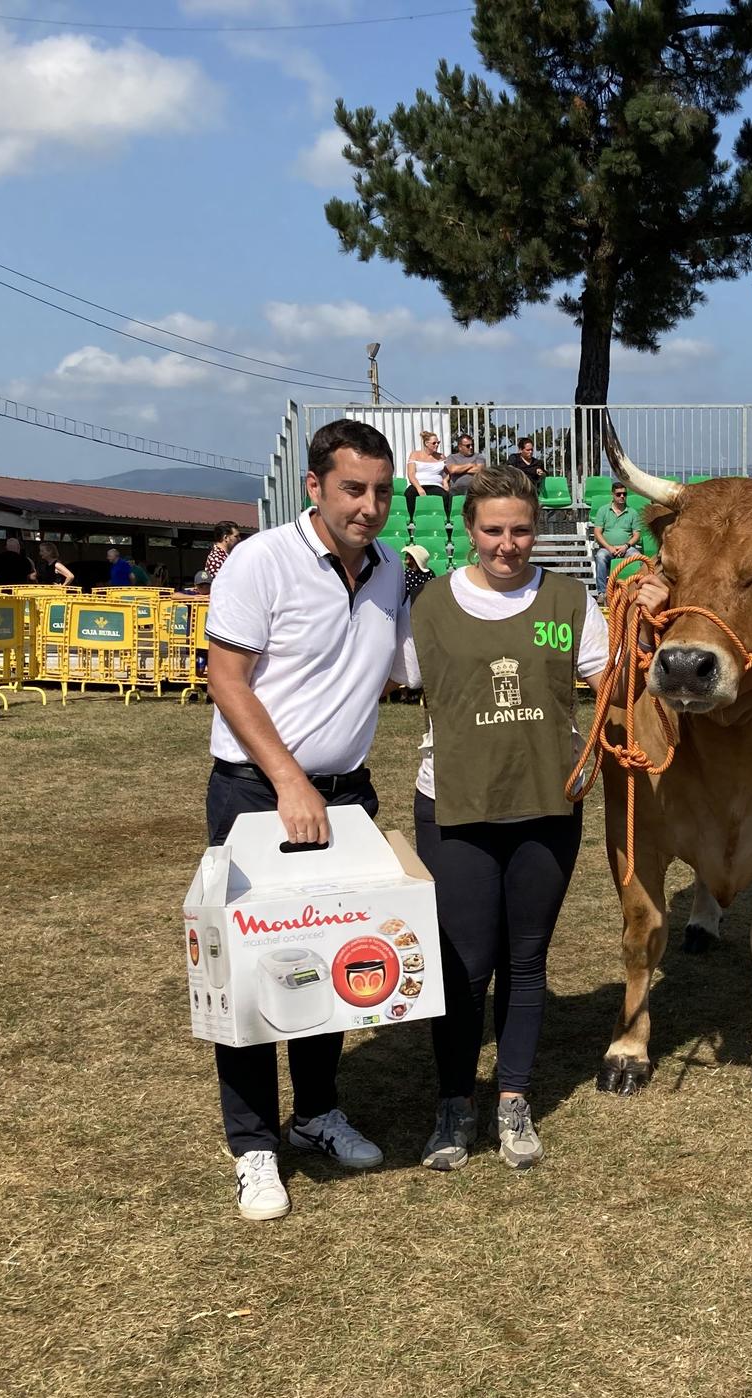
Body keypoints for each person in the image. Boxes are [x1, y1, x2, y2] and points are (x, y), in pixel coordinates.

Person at [403, 464, 666, 1173]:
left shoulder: (568, 598)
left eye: (521, 529)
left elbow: (619, 681)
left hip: (546, 805)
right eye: (493, 530)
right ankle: (455, 1104)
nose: (508, 544)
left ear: (537, 528)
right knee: (463, 966)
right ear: (468, 530)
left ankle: (513, 1099)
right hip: (454, 807)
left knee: (525, 961)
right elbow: (385, 678)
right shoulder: (426, 608)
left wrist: (650, 613)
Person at [201, 418, 411, 1222]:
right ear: (314, 486)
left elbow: (394, 671)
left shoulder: (392, 570)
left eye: (382, 491)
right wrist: (290, 779)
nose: (369, 506)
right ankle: (253, 1145)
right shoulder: (262, 560)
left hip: (349, 794)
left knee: (330, 960)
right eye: (354, 489)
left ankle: (317, 1113)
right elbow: (227, 678)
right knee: (251, 972)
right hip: (259, 794)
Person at [589, 481, 641, 597]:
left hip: (626, 548)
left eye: (624, 494)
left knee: (638, 558)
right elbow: (597, 532)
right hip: (608, 549)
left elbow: (636, 534)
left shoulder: (632, 512)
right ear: (613, 494)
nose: (622, 496)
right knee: (601, 556)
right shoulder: (603, 510)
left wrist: (626, 546)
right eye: (618, 494)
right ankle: (602, 592)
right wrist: (609, 547)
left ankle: (636, 589)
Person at [405, 430, 449, 529]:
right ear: (426, 443)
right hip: (418, 484)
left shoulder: (441, 457)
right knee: (409, 494)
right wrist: (419, 488)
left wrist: (445, 481)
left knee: (445, 496)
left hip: (435, 485)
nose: (437, 445)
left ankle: (444, 523)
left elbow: (449, 472)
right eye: (434, 443)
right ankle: (411, 521)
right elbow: (411, 474)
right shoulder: (415, 455)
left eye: (438, 442)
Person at [442, 433, 483, 518]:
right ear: (460, 447)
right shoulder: (452, 457)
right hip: (456, 489)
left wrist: (459, 470)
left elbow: (479, 469)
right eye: (468, 446)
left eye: (472, 445)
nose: (471, 447)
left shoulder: (478, 456)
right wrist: (471, 465)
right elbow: (452, 470)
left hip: (474, 487)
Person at [201, 522, 241, 587]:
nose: (239, 539)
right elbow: (221, 586)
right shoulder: (215, 559)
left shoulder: (227, 556)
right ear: (226, 538)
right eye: (236, 536)